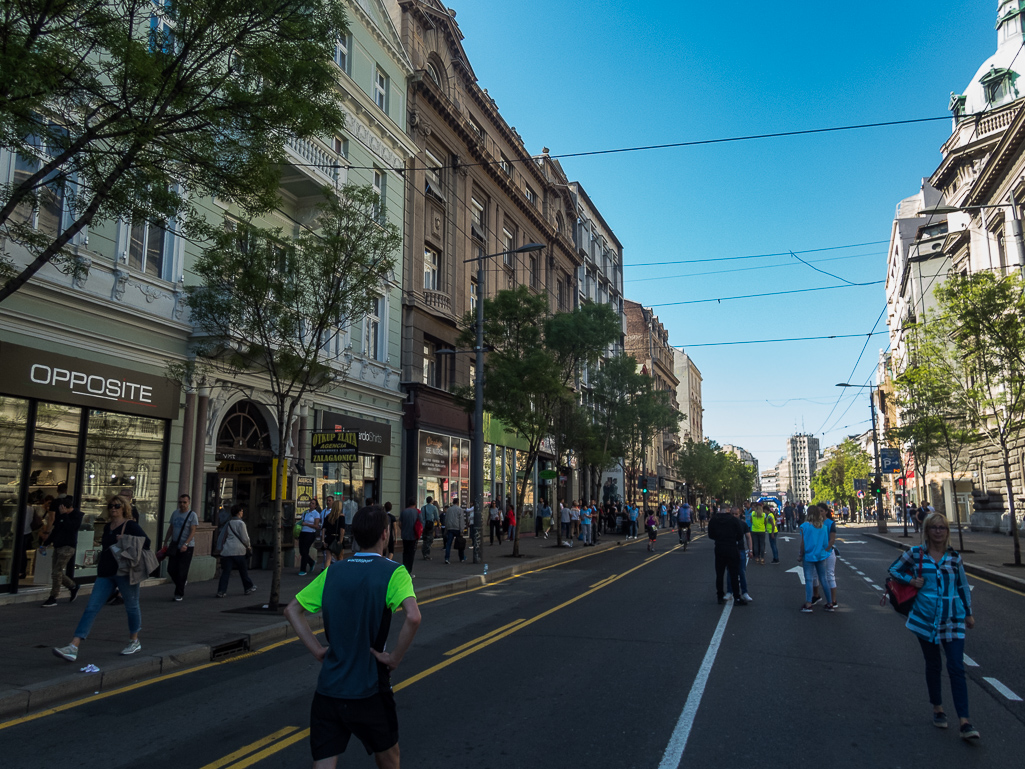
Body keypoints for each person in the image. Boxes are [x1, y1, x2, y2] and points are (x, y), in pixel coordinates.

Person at [284, 505, 422, 769]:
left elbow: (292, 610)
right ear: (385, 534)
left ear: (355, 536)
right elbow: (413, 617)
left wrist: (317, 650)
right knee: (389, 756)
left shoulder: (333, 571)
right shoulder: (394, 572)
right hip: (369, 686)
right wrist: (393, 658)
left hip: (329, 688)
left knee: (324, 761)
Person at [888, 512, 977, 739]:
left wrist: (968, 613)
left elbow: (963, 586)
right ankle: (938, 707)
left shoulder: (954, 558)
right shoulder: (916, 554)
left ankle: (965, 721)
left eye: (942, 528)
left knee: (956, 667)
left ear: (947, 532)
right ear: (926, 531)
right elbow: (894, 570)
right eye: (934, 528)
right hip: (925, 619)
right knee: (934, 664)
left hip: (952, 618)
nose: (938, 531)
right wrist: (911, 580)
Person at [53, 496, 150, 661]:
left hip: (124, 572)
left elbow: (146, 542)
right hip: (105, 573)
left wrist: (125, 539)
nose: (113, 508)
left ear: (124, 508)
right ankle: (73, 646)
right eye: (111, 506)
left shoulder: (131, 525)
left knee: (132, 607)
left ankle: (134, 640)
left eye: (117, 506)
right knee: (91, 608)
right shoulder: (107, 527)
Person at [40, 496, 83, 607]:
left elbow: (72, 528)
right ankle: (73, 586)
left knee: (57, 572)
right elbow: (56, 531)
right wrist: (45, 543)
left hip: (68, 546)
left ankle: (53, 596)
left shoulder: (76, 515)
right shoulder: (60, 516)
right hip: (58, 545)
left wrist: (64, 515)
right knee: (56, 572)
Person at [215, 503, 256, 597]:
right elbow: (245, 538)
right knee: (243, 571)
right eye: (241, 511)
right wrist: (248, 546)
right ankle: (248, 587)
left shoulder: (228, 523)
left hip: (228, 550)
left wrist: (220, 548)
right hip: (239, 551)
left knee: (225, 572)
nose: (242, 513)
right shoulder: (241, 523)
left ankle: (221, 591)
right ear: (238, 512)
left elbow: (223, 536)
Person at [708, 506, 746, 605]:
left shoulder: (714, 520)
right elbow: (740, 534)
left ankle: (720, 596)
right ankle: (737, 597)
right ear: (728, 511)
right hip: (732, 547)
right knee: (734, 573)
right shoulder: (733, 520)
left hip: (719, 547)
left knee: (719, 574)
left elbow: (710, 534)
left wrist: (719, 538)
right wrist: (733, 539)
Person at [798, 505, 833, 613]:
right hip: (821, 555)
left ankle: (808, 604)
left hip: (808, 555)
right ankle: (830, 603)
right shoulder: (824, 527)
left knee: (809, 579)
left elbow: (803, 543)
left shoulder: (804, 526)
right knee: (823, 579)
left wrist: (800, 554)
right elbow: (825, 543)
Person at [164, 493, 198, 601]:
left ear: (189, 503)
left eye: (184, 502)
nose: (182, 504)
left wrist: (186, 544)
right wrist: (165, 541)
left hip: (187, 546)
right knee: (171, 569)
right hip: (175, 545)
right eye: (180, 502)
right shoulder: (175, 513)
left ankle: (179, 594)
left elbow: (193, 530)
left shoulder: (192, 515)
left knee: (182, 570)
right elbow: (171, 528)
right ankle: (181, 582)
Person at [726, 507, 753, 602]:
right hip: (730, 550)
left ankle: (745, 593)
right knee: (730, 572)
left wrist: (750, 550)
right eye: (732, 514)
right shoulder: (727, 524)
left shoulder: (743, 524)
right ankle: (729, 592)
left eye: (736, 514)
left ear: (739, 514)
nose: (734, 516)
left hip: (740, 550)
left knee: (741, 572)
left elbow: (748, 537)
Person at [297, 498, 323, 576]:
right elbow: (302, 521)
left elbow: (316, 526)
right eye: (310, 503)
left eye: (313, 503)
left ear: (315, 506)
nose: (311, 504)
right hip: (303, 532)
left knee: (305, 550)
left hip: (310, 533)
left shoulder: (316, 514)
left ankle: (303, 569)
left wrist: (307, 524)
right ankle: (311, 562)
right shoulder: (305, 512)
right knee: (301, 551)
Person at [323, 500, 346, 566]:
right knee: (340, 558)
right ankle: (339, 574)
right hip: (337, 538)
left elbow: (324, 529)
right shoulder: (341, 516)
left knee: (328, 559)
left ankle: (326, 574)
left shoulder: (328, 516)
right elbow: (342, 530)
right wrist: (340, 541)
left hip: (329, 538)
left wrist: (323, 540)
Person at [398, 498, 418, 576]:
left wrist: (403, 529)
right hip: (413, 535)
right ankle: (409, 571)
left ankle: (405, 569)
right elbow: (420, 523)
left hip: (405, 535)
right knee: (411, 553)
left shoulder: (404, 511)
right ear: (415, 503)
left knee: (405, 553)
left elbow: (400, 523)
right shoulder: (417, 512)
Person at [443, 497, 465, 564]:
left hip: (450, 528)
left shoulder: (449, 509)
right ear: (458, 502)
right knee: (460, 543)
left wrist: (446, 528)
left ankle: (447, 558)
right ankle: (461, 557)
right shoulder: (460, 509)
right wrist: (462, 530)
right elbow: (461, 520)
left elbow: (446, 519)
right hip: (457, 528)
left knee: (448, 544)